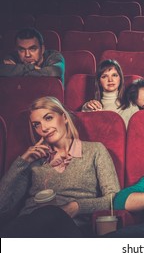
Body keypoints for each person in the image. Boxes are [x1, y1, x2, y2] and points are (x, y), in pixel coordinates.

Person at [0, 96, 120, 237]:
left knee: (50, 213)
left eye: (48, 118)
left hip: (69, 229)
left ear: (64, 118)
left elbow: (114, 198)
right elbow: (3, 206)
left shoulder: (94, 150)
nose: (43, 128)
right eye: (36, 125)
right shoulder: (34, 159)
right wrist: (22, 162)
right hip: (29, 227)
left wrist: (76, 207)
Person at [81, 59, 138, 128]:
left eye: (114, 75)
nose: (110, 80)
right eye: (104, 76)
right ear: (99, 81)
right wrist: (86, 108)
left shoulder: (131, 105)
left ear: (120, 78)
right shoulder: (92, 106)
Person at [0, 27, 65, 84]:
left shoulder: (53, 56)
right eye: (22, 50)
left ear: (42, 49)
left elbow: (55, 72)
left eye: (33, 49)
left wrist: (16, 71)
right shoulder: (13, 57)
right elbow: (2, 70)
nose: (27, 55)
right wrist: (32, 67)